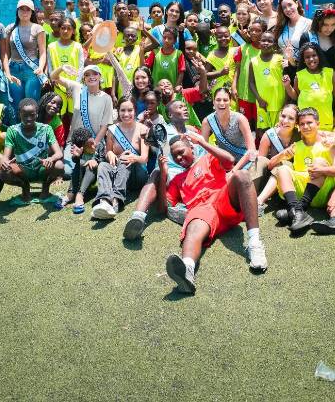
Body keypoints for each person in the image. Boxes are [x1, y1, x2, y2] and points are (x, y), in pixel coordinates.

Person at [164, 130, 268, 294]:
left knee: (242, 175)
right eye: (174, 156)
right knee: (194, 227)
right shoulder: (177, 179)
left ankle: (254, 244)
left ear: (191, 148)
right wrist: (162, 173)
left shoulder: (207, 158)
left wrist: (202, 143)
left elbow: (230, 161)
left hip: (223, 200)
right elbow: (165, 205)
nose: (178, 158)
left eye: (181, 152)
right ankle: (187, 270)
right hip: (202, 211)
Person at [122, 98, 203, 240]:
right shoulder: (163, 129)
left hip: (191, 179)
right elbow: (147, 137)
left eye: (185, 106)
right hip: (168, 176)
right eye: (180, 107)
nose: (184, 108)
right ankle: (138, 217)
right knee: (157, 172)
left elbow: (203, 160)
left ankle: (180, 208)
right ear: (170, 114)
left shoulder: (195, 136)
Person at [268, 107, 335, 233]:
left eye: (309, 123)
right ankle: (296, 210)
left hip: (321, 193)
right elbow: (270, 165)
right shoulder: (297, 146)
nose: (306, 126)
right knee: (282, 169)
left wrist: (322, 171)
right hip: (300, 193)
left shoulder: (329, 144)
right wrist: (282, 154)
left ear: (317, 124)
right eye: (302, 124)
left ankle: (297, 210)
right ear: (298, 126)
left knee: (319, 163)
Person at [91, 96, 150, 220]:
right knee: (102, 165)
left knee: (126, 158)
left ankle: (115, 201)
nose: (126, 114)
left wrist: (132, 157)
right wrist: (110, 154)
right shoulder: (112, 130)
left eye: (130, 110)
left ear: (135, 111)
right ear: (118, 111)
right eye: (123, 110)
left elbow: (144, 158)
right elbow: (108, 152)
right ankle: (104, 201)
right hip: (119, 172)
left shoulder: (143, 129)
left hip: (137, 175)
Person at [51, 64, 113, 177]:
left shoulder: (106, 98)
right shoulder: (77, 88)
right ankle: (80, 163)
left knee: (91, 168)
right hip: (75, 142)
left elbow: (105, 126)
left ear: (100, 76)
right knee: (67, 173)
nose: (91, 77)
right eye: (87, 74)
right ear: (84, 78)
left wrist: (94, 144)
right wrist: (62, 68)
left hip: (94, 142)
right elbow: (54, 77)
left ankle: (83, 163)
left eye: (94, 73)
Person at [0, 98, 65, 205]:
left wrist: (50, 159)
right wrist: (4, 161)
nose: (29, 118)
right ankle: (25, 188)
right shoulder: (12, 130)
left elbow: (59, 153)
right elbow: (6, 156)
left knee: (59, 166)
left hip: (42, 169)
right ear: (19, 114)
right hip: (22, 171)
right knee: (4, 172)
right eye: (25, 115)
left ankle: (45, 190)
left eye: (32, 115)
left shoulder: (46, 129)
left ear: (37, 114)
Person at [3, 0, 47, 115]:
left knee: (31, 105)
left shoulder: (38, 28)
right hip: (14, 70)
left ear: (32, 12)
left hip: (32, 70)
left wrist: (41, 68)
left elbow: (43, 52)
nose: (24, 12)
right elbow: (6, 53)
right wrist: (7, 73)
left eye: (28, 9)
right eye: (21, 9)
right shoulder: (10, 28)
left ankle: (32, 131)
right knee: (16, 105)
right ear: (17, 11)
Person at [285, 42, 335, 131]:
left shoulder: (330, 73)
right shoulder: (299, 75)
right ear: (303, 60)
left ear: (319, 56)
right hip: (305, 123)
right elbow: (296, 96)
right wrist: (287, 86)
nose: (311, 59)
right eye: (307, 57)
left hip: (325, 121)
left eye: (314, 55)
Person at [295, 6, 335, 98]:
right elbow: (301, 65)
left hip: (332, 89)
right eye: (325, 25)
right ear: (318, 22)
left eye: (333, 25)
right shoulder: (307, 37)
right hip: (310, 89)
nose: (329, 29)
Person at [200, 87, 256, 171]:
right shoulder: (207, 122)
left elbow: (251, 150)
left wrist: (234, 171)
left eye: (225, 100)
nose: (222, 103)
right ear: (213, 102)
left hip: (244, 162)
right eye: (218, 100)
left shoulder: (240, 119)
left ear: (230, 102)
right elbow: (203, 150)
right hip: (224, 163)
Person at [47, 16, 85, 138]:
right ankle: (60, 142)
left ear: (73, 31)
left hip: (74, 88)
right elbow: (50, 68)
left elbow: (80, 69)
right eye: (63, 28)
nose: (65, 31)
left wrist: (72, 87)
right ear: (59, 29)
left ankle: (73, 142)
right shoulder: (51, 47)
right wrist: (60, 85)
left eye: (69, 28)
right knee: (60, 117)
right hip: (58, 87)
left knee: (74, 115)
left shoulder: (78, 46)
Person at [256, 103, 299, 208]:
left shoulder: (300, 135)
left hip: (293, 179)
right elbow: (263, 167)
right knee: (277, 164)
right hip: (270, 178)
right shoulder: (269, 135)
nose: (285, 121)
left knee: (285, 165)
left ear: (296, 122)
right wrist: (281, 155)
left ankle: (259, 201)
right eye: (283, 116)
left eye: (291, 118)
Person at [248, 30, 285, 140]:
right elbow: (251, 82)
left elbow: (287, 80)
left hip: (278, 103)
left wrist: (285, 102)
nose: (266, 43)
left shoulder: (279, 59)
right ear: (259, 42)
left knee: (279, 131)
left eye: (269, 41)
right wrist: (259, 99)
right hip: (262, 103)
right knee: (263, 130)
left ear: (274, 44)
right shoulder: (253, 61)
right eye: (263, 40)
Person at [232, 20, 265, 129]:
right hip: (244, 93)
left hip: (260, 95)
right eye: (252, 30)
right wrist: (234, 86)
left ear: (263, 32)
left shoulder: (266, 51)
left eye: (258, 31)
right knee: (244, 123)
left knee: (258, 124)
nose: (254, 33)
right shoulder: (243, 48)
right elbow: (238, 68)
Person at [66, 127, 105, 213]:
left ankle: (80, 195)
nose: (93, 145)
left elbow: (102, 161)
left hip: (96, 179)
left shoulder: (99, 145)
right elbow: (75, 161)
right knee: (78, 164)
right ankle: (71, 193)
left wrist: (95, 161)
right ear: (82, 148)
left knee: (91, 165)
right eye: (89, 145)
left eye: (93, 141)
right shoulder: (81, 152)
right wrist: (78, 156)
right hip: (82, 179)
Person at [275, 0, 311, 72]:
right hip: (282, 70)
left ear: (297, 4)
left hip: (300, 70)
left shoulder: (308, 23)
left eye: (290, 5)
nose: (288, 9)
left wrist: (291, 61)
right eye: (284, 7)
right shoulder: (282, 25)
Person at [205, 25, 237, 94]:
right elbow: (206, 74)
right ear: (215, 38)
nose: (223, 38)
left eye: (226, 36)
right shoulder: (212, 55)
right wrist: (220, 73)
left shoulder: (235, 51)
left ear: (230, 38)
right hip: (218, 91)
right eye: (220, 37)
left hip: (234, 90)